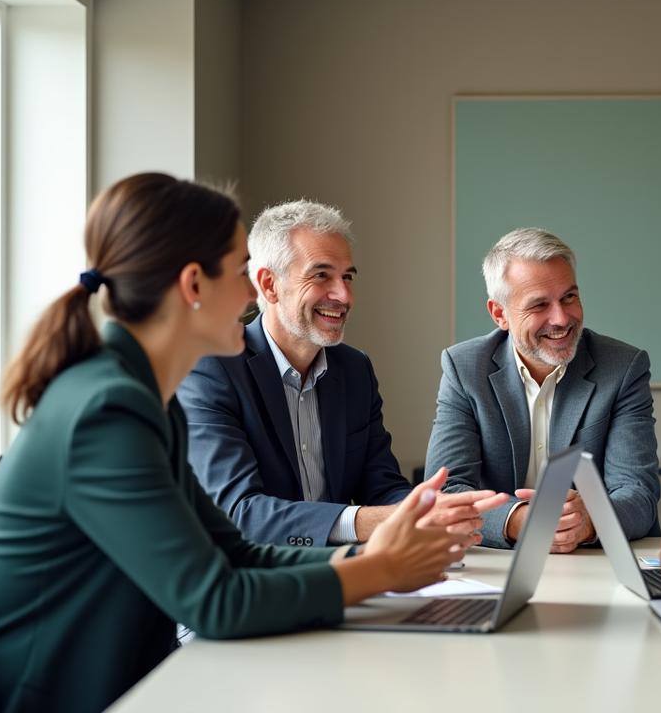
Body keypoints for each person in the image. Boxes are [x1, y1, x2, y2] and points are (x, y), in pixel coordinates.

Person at [0, 174, 472, 713]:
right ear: (193, 285)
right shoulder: (107, 410)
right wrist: (380, 571)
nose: (251, 292)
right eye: (239, 273)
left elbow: (234, 554)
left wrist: (378, 560)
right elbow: (216, 601)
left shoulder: (144, 399)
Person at [177, 200, 506, 547]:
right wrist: (374, 521)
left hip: (346, 574)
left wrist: (423, 514)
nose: (344, 295)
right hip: (256, 583)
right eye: (322, 275)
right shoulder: (212, 366)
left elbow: (381, 485)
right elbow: (239, 513)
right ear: (269, 285)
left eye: (347, 276)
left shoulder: (354, 370)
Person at [426, 228, 661, 552]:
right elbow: (446, 491)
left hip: (594, 561)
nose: (562, 318)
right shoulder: (465, 368)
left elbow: (637, 493)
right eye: (539, 305)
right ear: (500, 314)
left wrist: (587, 521)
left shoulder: (623, 367)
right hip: (496, 559)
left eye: (569, 297)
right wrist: (522, 520)